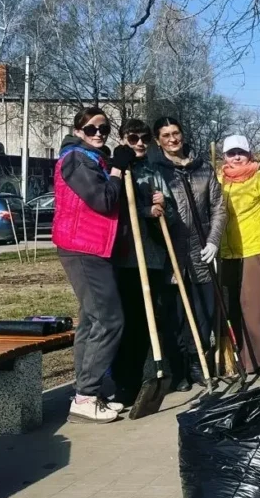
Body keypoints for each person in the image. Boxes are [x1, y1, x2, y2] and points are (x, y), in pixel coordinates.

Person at [53, 107, 135, 423]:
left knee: (91, 321)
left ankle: (87, 393)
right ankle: (86, 396)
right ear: (78, 131)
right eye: (91, 129)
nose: (98, 133)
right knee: (110, 319)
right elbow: (101, 200)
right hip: (82, 248)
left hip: (95, 248)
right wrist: (116, 171)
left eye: (104, 128)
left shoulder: (92, 158)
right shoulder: (75, 159)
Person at [148, 117, 227, 391]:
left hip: (201, 252)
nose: (172, 139)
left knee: (203, 313)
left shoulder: (202, 168)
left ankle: (198, 363)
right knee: (176, 315)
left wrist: (214, 240)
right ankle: (179, 368)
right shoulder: (156, 171)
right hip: (172, 254)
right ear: (158, 141)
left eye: (176, 133)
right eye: (166, 135)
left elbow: (218, 207)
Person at [110, 119, 173, 406]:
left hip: (154, 257)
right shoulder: (116, 168)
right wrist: (146, 208)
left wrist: (164, 204)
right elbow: (113, 207)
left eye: (144, 138)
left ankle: (154, 375)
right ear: (123, 138)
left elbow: (169, 213)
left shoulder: (154, 170)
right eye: (133, 137)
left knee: (154, 320)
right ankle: (125, 384)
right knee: (130, 322)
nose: (139, 143)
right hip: (125, 258)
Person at [217, 135, 260, 375]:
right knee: (230, 308)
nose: (236, 157)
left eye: (241, 152)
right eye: (231, 153)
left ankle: (258, 360)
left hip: (256, 250)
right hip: (225, 253)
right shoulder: (218, 180)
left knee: (255, 308)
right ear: (223, 156)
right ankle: (234, 359)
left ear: (250, 154)